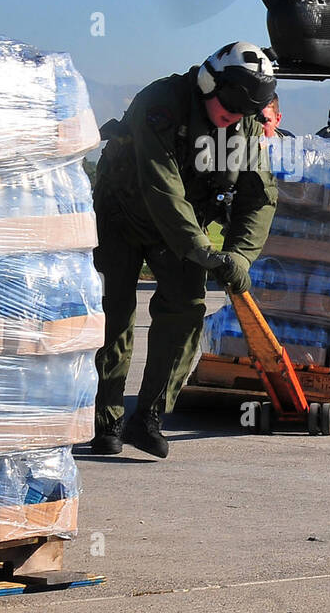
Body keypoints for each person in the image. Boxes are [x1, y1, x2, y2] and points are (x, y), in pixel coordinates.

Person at [90, 42, 279, 458]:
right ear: (210, 84)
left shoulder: (242, 126)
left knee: (185, 311)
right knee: (114, 313)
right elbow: (162, 187)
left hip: (182, 227)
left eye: (244, 113)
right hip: (123, 214)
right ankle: (105, 418)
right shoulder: (161, 102)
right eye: (228, 107)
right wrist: (200, 248)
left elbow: (258, 195)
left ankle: (150, 416)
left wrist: (240, 256)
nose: (232, 118)